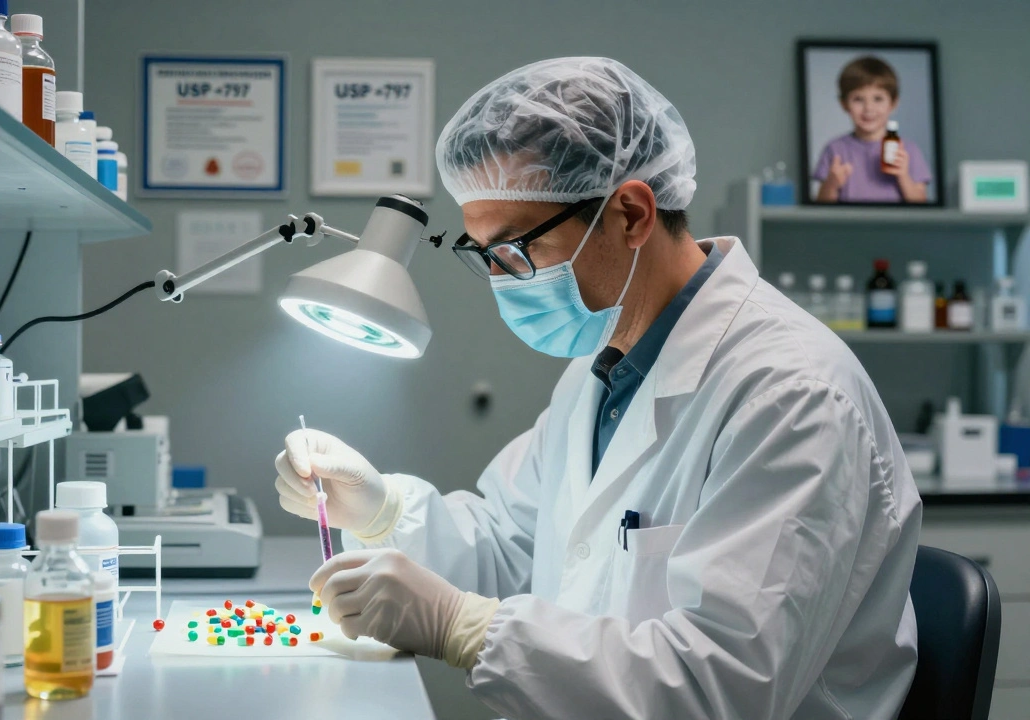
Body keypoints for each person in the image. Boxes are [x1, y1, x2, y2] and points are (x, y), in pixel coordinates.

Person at [275, 57, 921, 720]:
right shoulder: (610, 368)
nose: (503, 281)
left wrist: (464, 627)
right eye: (483, 256)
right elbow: (511, 546)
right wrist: (381, 510)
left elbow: (720, 687)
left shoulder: (793, 397)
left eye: (514, 249)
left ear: (632, 214)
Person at [814, 55, 933, 203]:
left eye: (878, 99)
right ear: (843, 104)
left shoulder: (908, 150)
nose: (869, 108)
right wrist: (831, 184)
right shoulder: (835, 149)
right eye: (858, 99)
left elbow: (921, 203)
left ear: (893, 103)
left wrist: (903, 175)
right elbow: (821, 205)